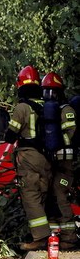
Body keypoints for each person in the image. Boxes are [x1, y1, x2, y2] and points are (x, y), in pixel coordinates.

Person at [4, 65, 53, 250]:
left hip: (29, 157)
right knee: (42, 195)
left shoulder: (22, 108)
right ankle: (49, 235)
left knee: (30, 196)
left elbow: (11, 134)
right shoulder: (46, 106)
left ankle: (40, 238)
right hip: (47, 158)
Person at [42, 72, 78, 248]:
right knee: (51, 197)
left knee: (60, 194)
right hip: (53, 164)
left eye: (50, 91)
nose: (47, 95)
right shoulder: (50, 112)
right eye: (45, 91)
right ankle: (55, 236)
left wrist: (56, 140)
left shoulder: (67, 111)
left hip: (66, 165)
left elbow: (72, 134)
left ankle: (70, 237)